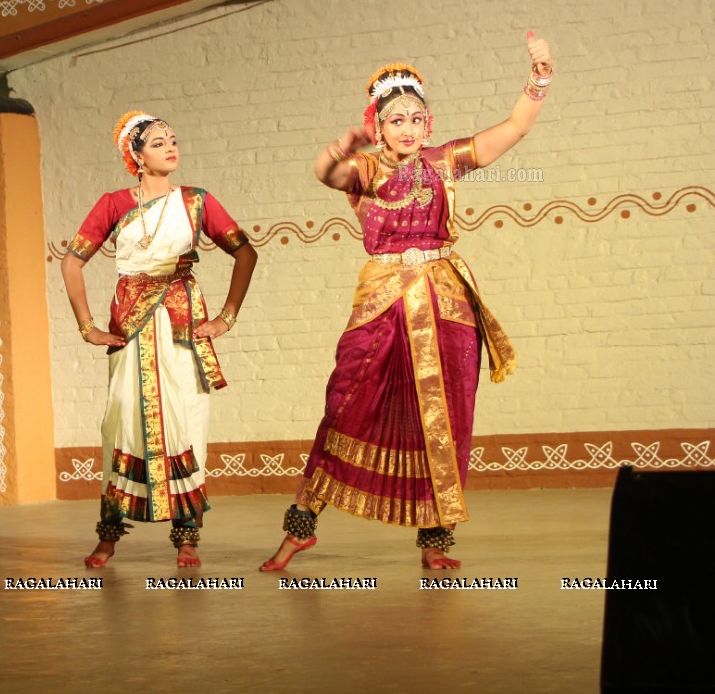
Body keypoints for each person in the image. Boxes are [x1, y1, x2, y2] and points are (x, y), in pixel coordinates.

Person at [260, 31, 554, 572]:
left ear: (430, 125)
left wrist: (538, 78)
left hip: (445, 302)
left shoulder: (444, 162)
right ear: (378, 127)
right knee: (345, 403)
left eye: (417, 119)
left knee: (448, 416)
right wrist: (337, 151)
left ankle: (435, 541)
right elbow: (326, 175)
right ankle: (303, 524)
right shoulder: (368, 170)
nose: (409, 129)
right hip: (383, 302)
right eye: (397, 120)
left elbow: (513, 128)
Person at [62, 111, 257, 568]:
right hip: (131, 324)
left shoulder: (197, 202)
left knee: (188, 422)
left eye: (173, 140)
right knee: (123, 422)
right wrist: (87, 326)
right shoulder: (113, 203)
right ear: (136, 155)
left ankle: (187, 536)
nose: (171, 147)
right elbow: (72, 263)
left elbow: (245, 252)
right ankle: (109, 535)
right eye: (157, 143)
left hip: (181, 322)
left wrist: (228, 317)